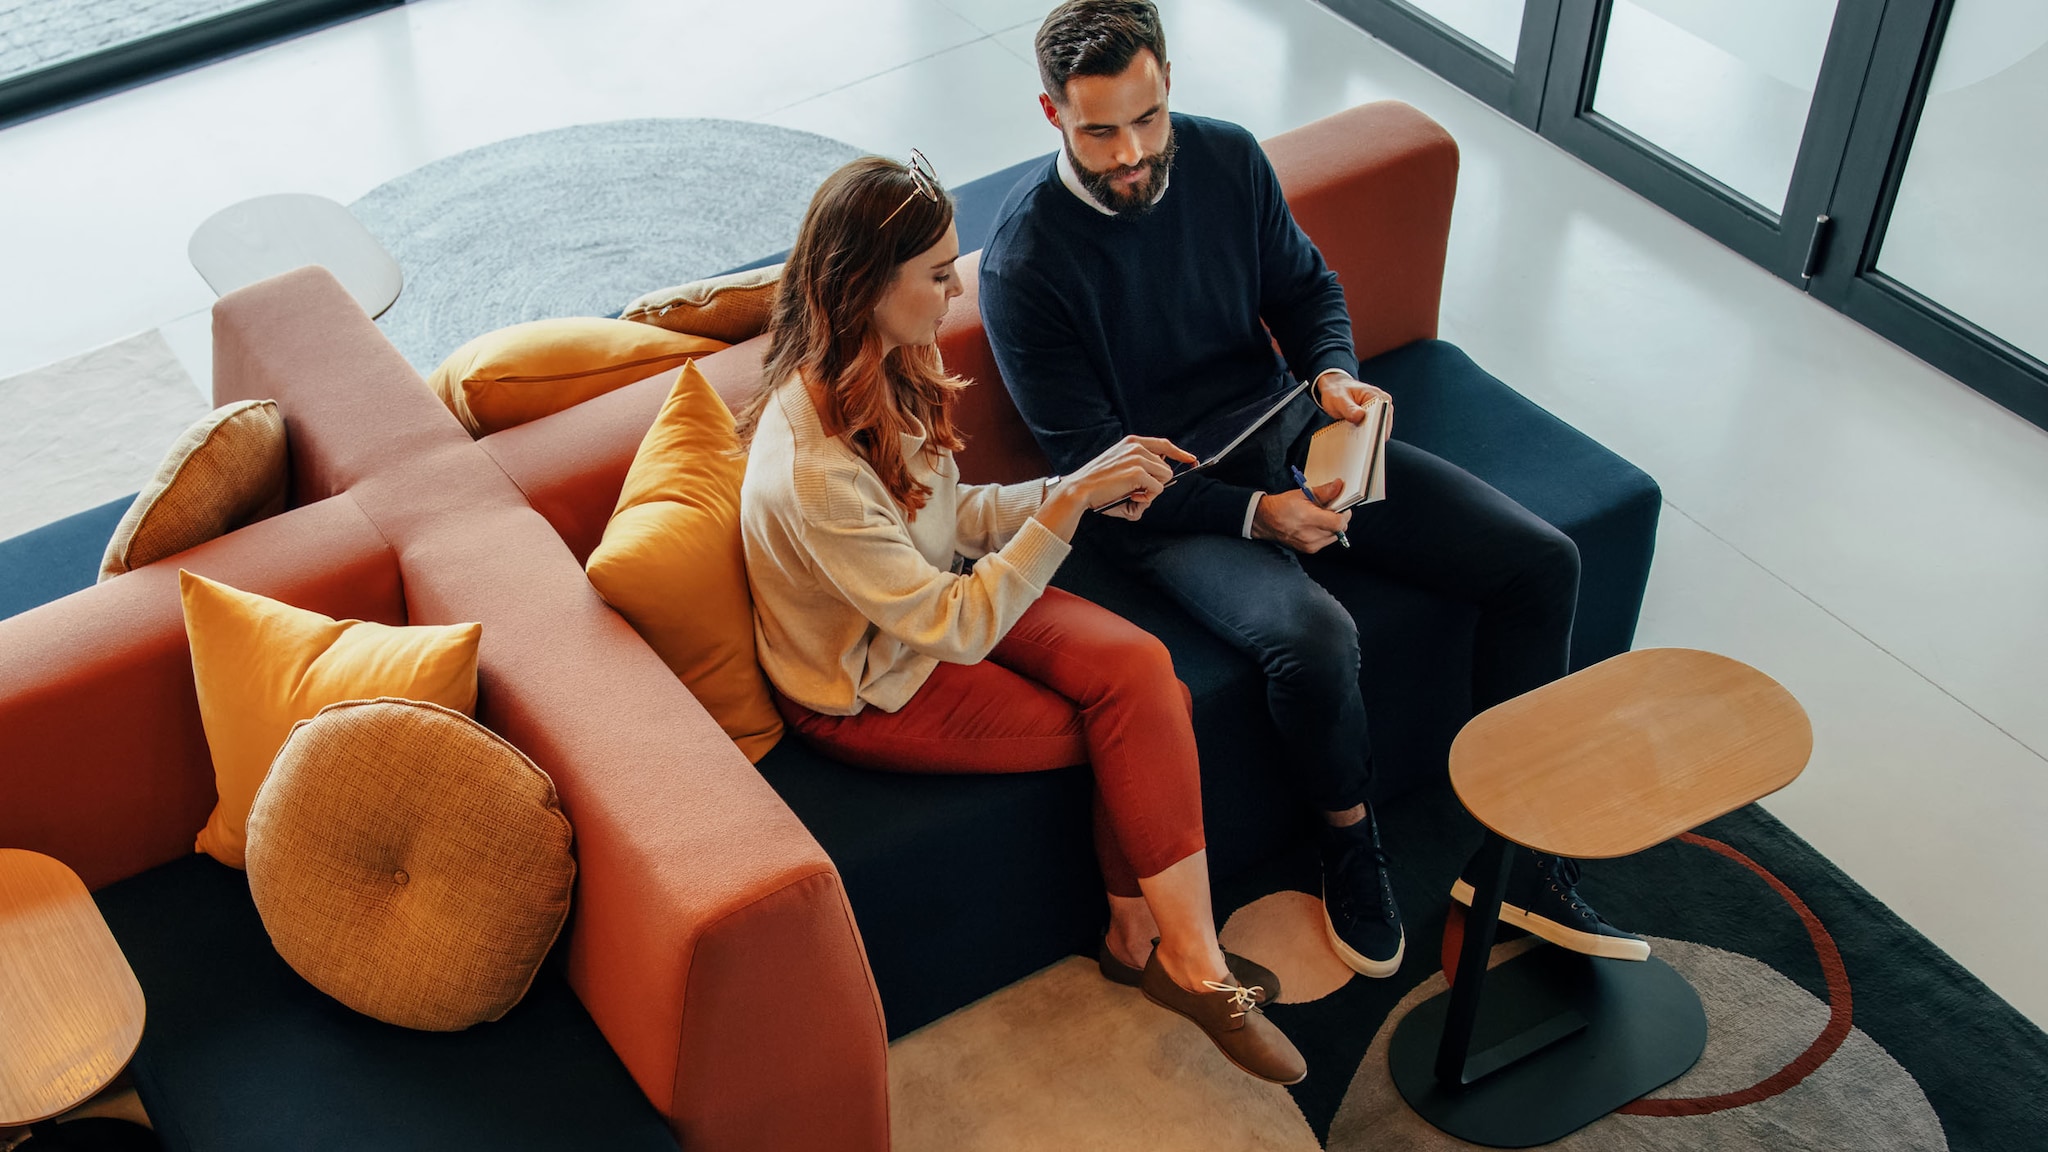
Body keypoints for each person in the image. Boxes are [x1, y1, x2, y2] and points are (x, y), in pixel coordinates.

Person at [978, 0, 1650, 978]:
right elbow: (1096, 472)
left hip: (1287, 433)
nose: (1129, 153)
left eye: (1146, 119)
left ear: (1167, 83)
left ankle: (1520, 856)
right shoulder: (1025, 264)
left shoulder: (1225, 159)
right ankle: (1347, 841)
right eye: (1098, 131)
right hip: (1161, 510)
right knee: (1313, 637)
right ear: (1050, 116)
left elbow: (1303, 288)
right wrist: (1257, 517)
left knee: (1539, 562)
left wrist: (1329, 369)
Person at [736, 152, 1307, 1083]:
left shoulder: (888, 359)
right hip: (868, 686)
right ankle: (1193, 967)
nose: (955, 289)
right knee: (1124, 726)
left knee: (1142, 672)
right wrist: (1064, 512)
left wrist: (1074, 485)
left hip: (939, 597)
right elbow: (955, 627)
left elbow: (950, 517)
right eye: (934, 274)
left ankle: (1141, 943)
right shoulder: (815, 473)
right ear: (866, 286)